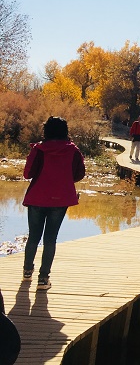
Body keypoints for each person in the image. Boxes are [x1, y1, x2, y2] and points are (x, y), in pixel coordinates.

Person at [22, 116, 85, 291]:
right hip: (60, 199)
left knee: (33, 236)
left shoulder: (39, 149)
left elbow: (27, 174)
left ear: (46, 130)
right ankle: (43, 279)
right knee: (50, 239)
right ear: (65, 131)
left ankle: (27, 272)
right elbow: (79, 173)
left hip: (37, 197)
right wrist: (64, 180)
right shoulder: (73, 150)